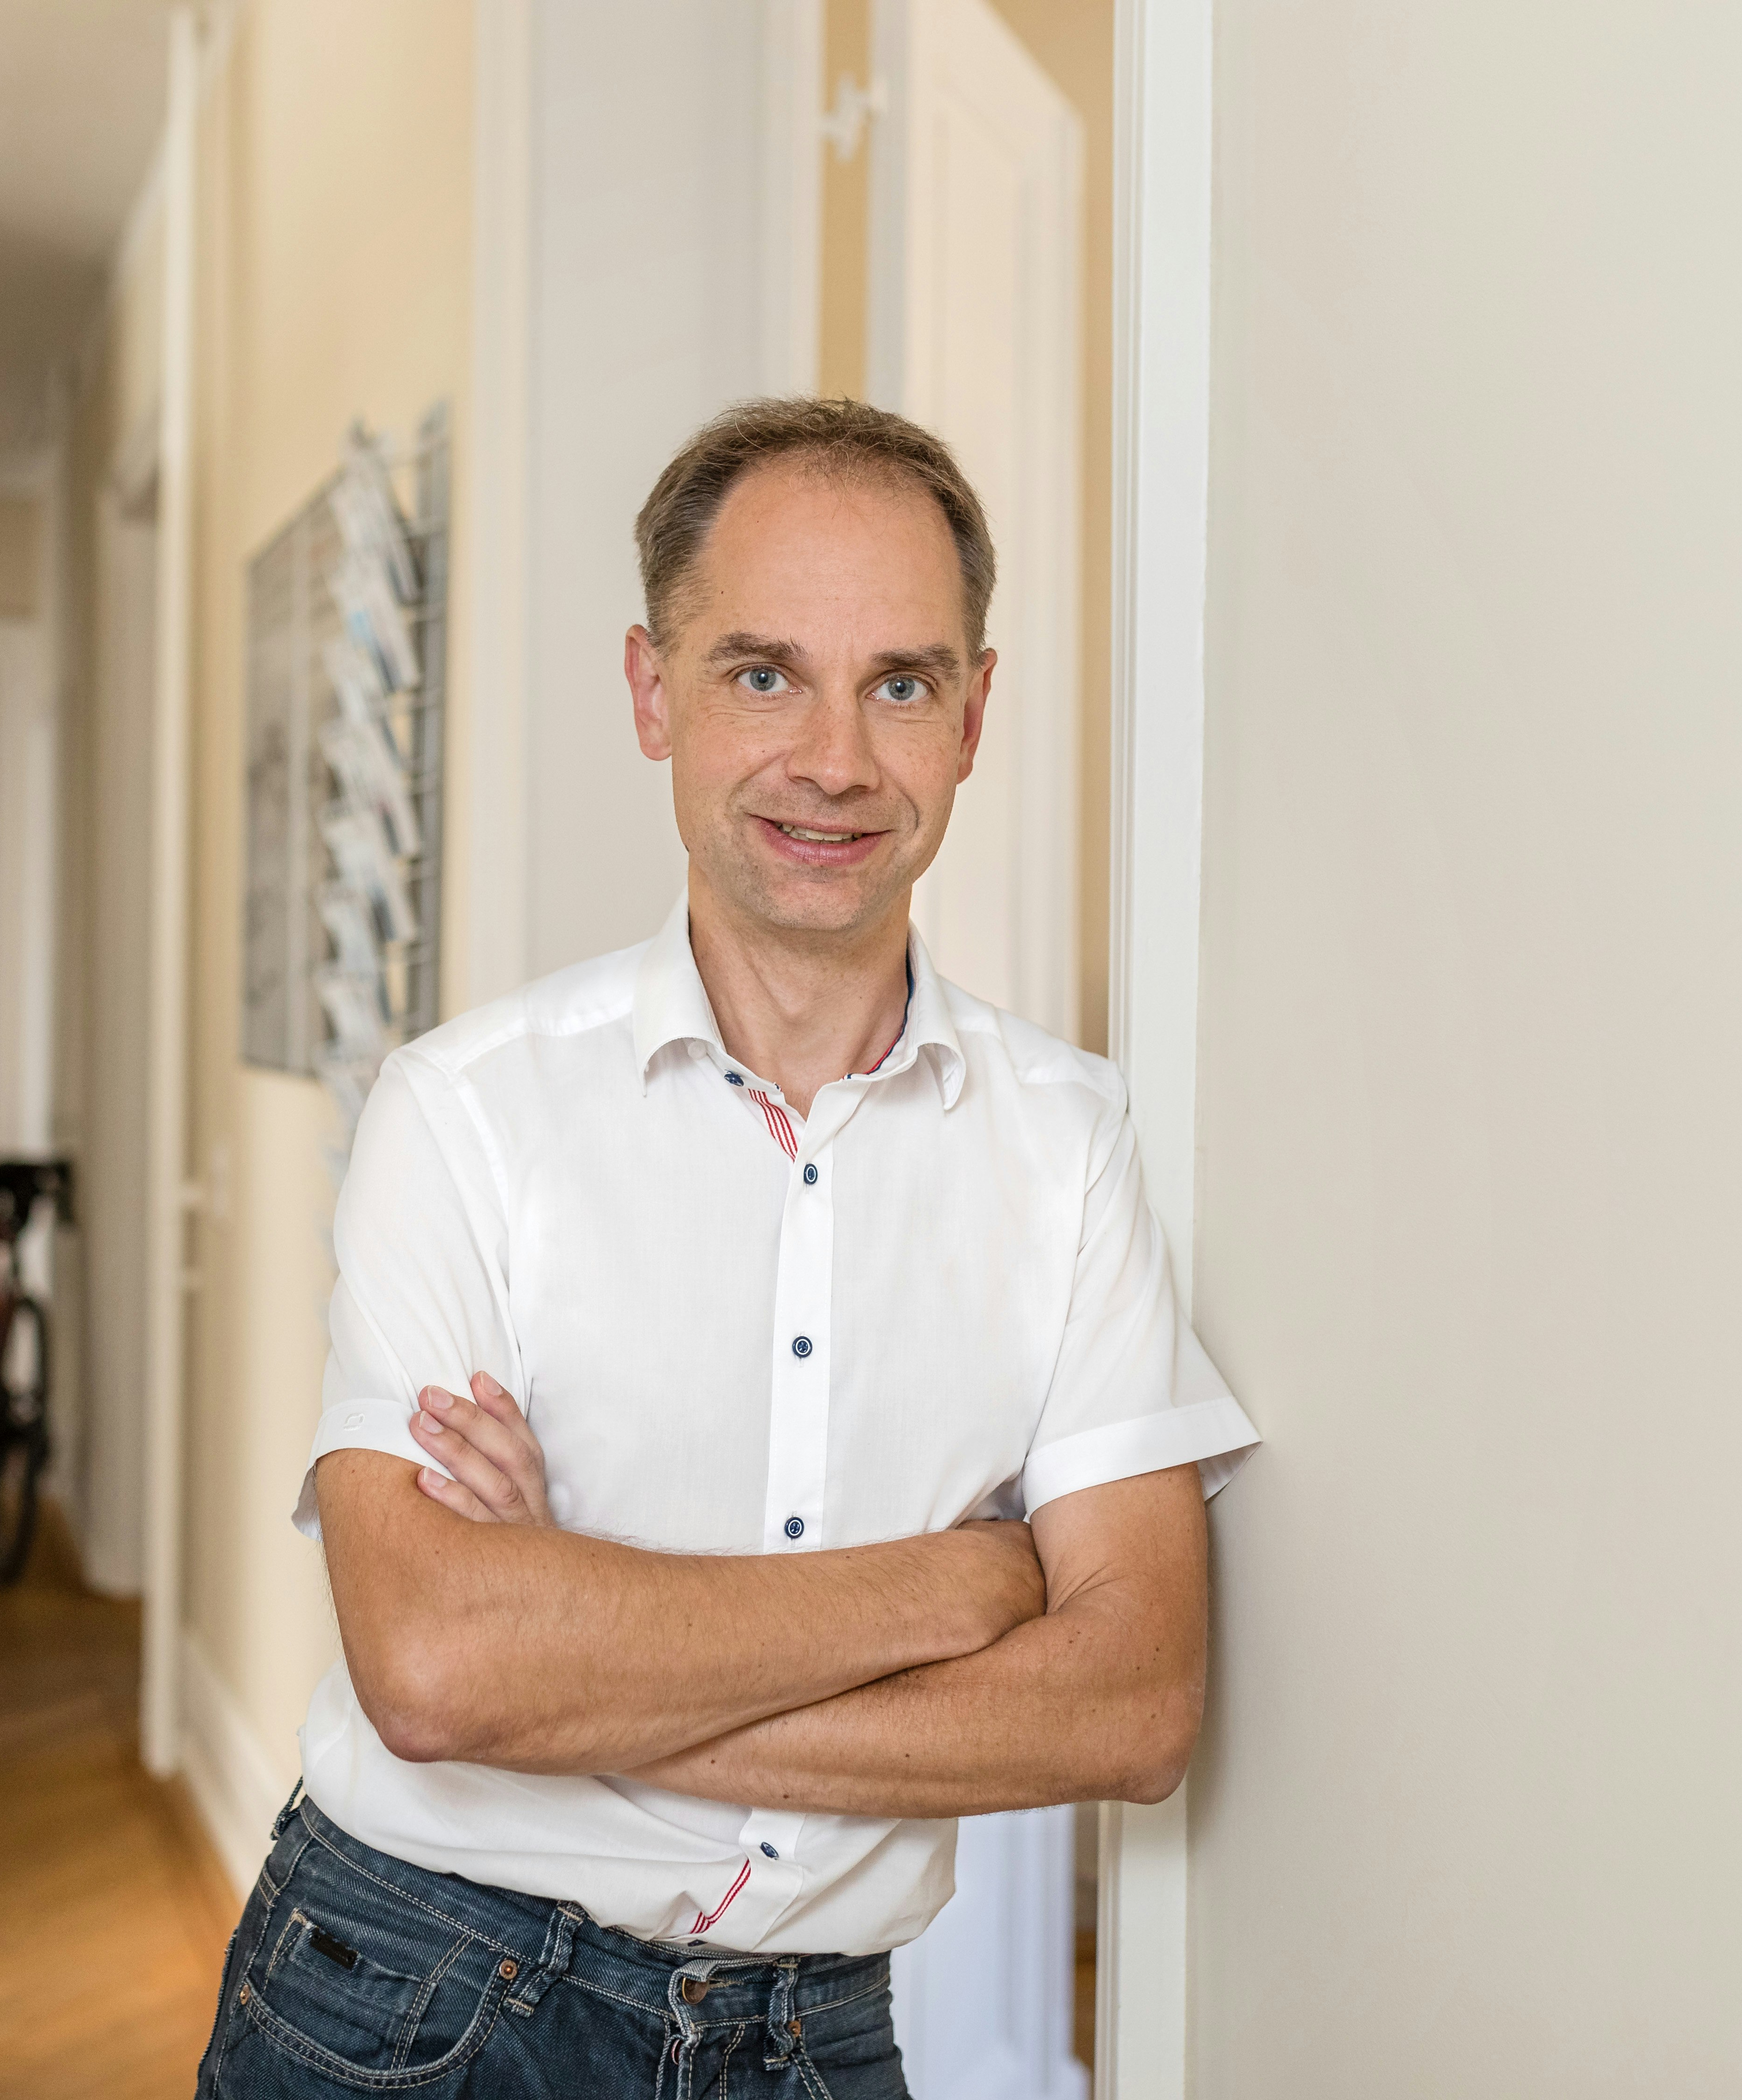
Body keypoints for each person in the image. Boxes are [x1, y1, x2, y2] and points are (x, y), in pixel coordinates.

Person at [192, 398, 1260, 2098]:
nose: (835, 758)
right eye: (764, 673)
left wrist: (594, 1676)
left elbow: (1128, 1707)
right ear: (651, 693)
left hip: (816, 2036)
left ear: (974, 716)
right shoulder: (460, 1114)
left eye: (900, 682)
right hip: (419, 1997)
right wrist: (966, 1585)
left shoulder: (1069, 1143)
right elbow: (440, 1668)